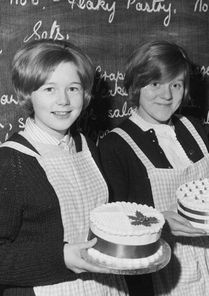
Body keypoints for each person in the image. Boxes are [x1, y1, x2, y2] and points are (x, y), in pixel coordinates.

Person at [98, 40, 209, 296]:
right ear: (135, 86)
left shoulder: (194, 128)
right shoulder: (115, 145)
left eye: (176, 84)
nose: (166, 95)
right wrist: (159, 222)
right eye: (155, 84)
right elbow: (114, 224)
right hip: (162, 267)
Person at [0, 39, 128, 295]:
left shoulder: (87, 146)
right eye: (49, 89)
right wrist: (61, 257)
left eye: (73, 88)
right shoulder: (11, 163)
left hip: (105, 287)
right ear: (28, 93)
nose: (63, 101)